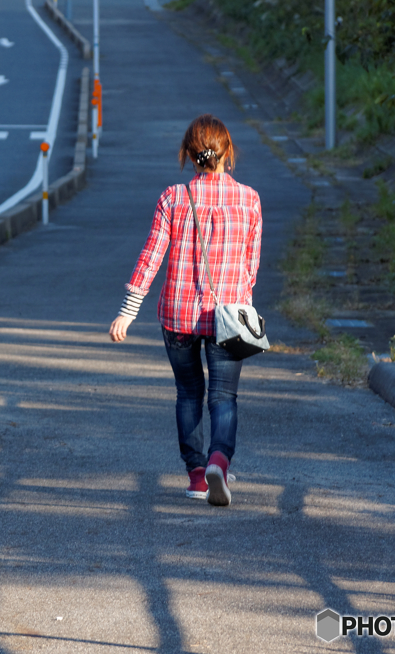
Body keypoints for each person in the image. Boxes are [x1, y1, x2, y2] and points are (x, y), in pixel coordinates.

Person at [109, 114, 262, 507]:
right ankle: (218, 462)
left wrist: (128, 311)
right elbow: (250, 266)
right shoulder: (249, 199)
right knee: (224, 396)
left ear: (190, 156)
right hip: (229, 314)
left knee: (188, 392)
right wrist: (240, 300)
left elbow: (152, 255)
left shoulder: (173, 197)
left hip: (177, 314)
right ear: (227, 153)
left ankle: (196, 476)